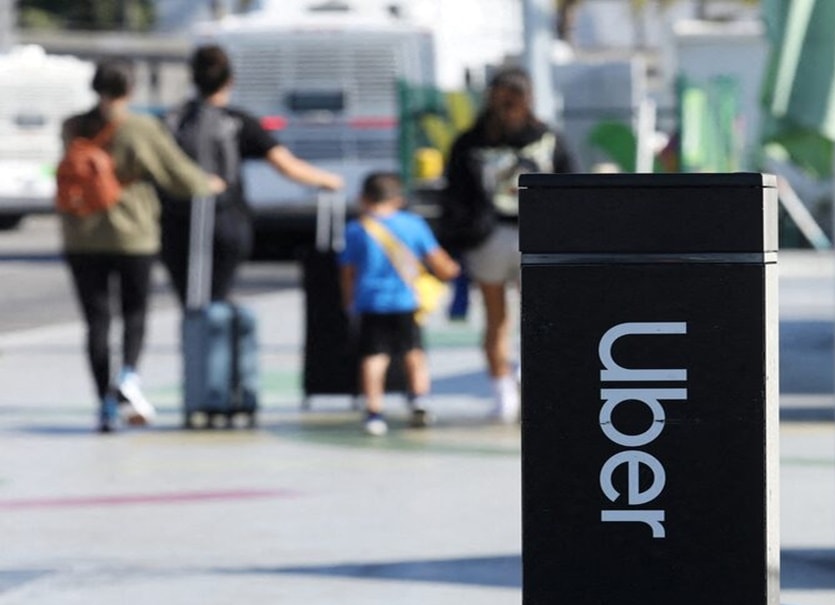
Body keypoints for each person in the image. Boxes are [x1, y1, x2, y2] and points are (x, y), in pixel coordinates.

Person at [58, 58, 226, 432]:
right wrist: (207, 184)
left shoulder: (72, 126)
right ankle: (128, 379)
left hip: (80, 235)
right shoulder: (140, 127)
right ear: (130, 89)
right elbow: (176, 173)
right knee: (134, 313)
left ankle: (104, 403)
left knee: (97, 321)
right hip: (132, 233)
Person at [439, 66, 575, 423]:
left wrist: (461, 235)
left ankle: (506, 393)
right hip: (532, 236)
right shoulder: (547, 138)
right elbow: (571, 184)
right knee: (535, 318)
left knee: (499, 320)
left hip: (493, 237)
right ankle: (526, 387)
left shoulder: (471, 141)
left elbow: (453, 194)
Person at [159, 44, 343, 305]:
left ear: (193, 79)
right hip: (226, 219)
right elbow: (286, 165)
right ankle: (212, 325)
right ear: (230, 81)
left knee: (189, 298)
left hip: (177, 220)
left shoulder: (172, 120)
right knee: (216, 297)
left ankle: (195, 327)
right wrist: (328, 180)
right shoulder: (238, 121)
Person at [340, 172, 460, 435]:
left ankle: (374, 412)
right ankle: (419, 400)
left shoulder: (356, 229)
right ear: (398, 198)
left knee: (374, 357)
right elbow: (439, 261)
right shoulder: (413, 224)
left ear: (364, 197)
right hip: (407, 300)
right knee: (414, 352)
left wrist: (349, 301)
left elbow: (348, 271)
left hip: (370, 301)